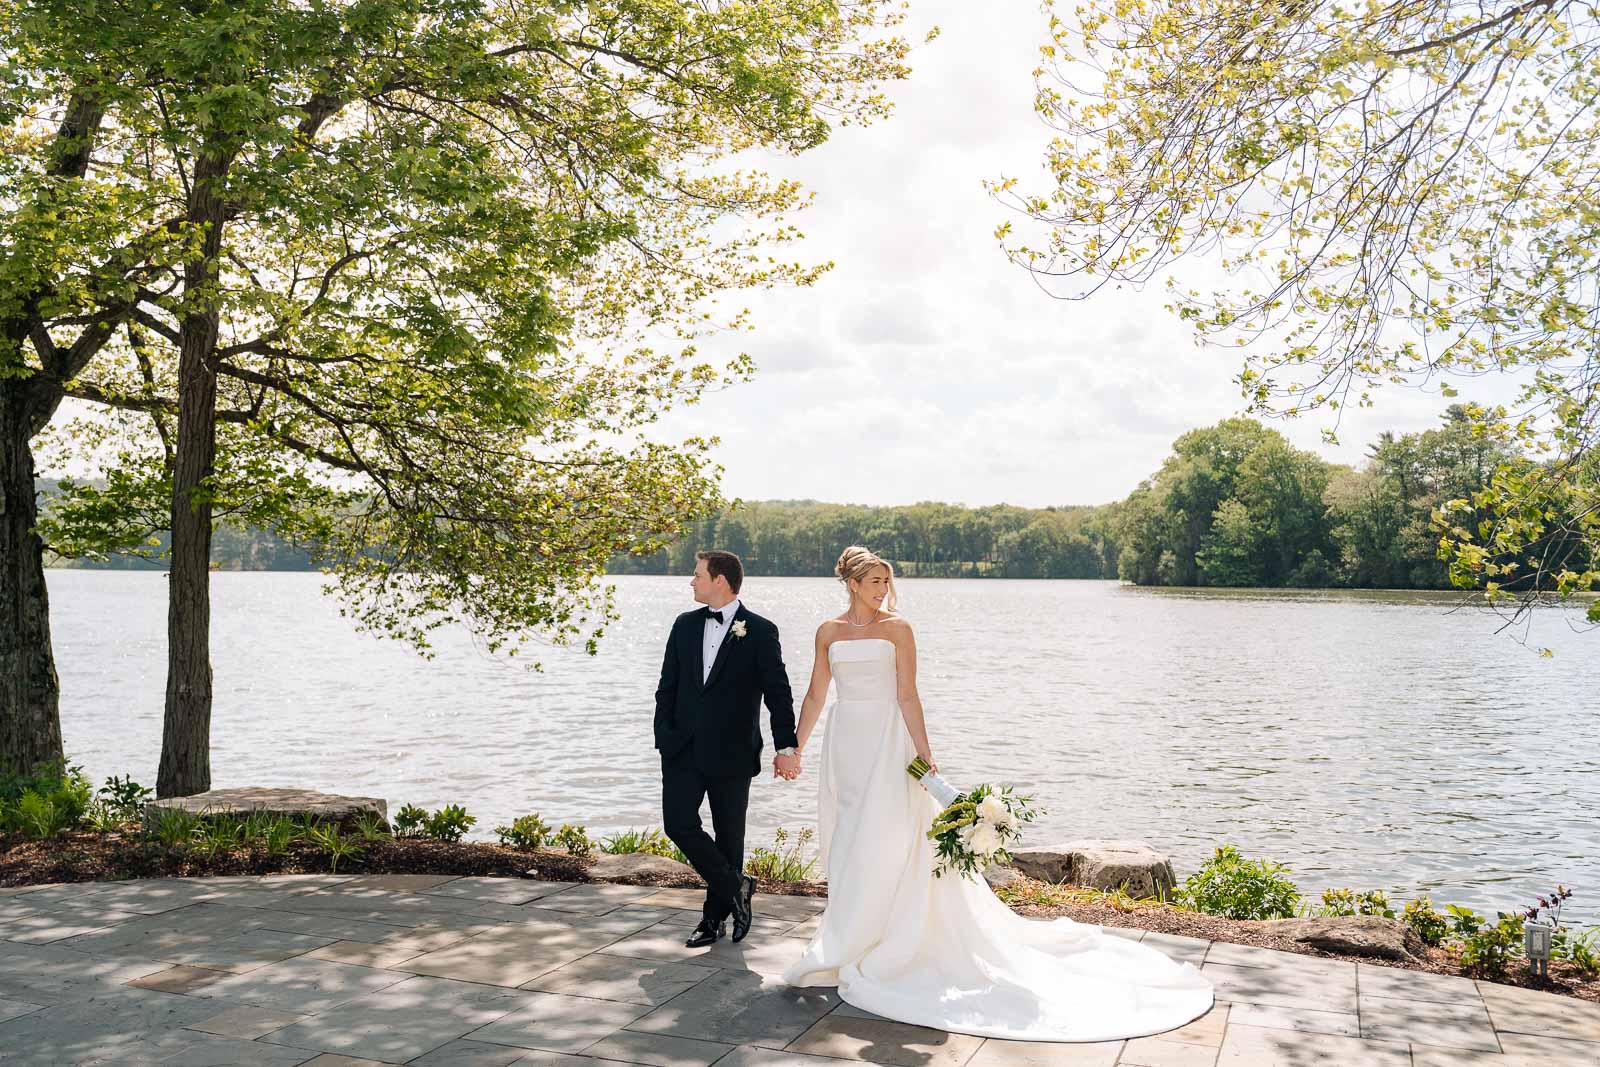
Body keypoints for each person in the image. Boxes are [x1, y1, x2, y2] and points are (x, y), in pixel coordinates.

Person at [777, 545, 1216, 1042]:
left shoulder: (899, 629)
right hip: (845, 743)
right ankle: (846, 936)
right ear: (853, 583)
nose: (883, 590)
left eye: (886, 582)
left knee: (884, 839)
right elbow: (816, 693)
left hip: (888, 743)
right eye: (875, 582)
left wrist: (925, 755)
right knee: (846, 837)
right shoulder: (828, 632)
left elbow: (907, 695)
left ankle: (863, 941)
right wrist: (794, 748)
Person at [654, 549, 799, 948]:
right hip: (681, 749)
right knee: (678, 824)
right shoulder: (684, 625)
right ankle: (738, 885)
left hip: (732, 753)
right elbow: (667, 686)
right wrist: (663, 735)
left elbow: (778, 693)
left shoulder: (761, 630)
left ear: (720, 580)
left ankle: (711, 920)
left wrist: (786, 744)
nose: (692, 580)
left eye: (697, 574)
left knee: (729, 838)